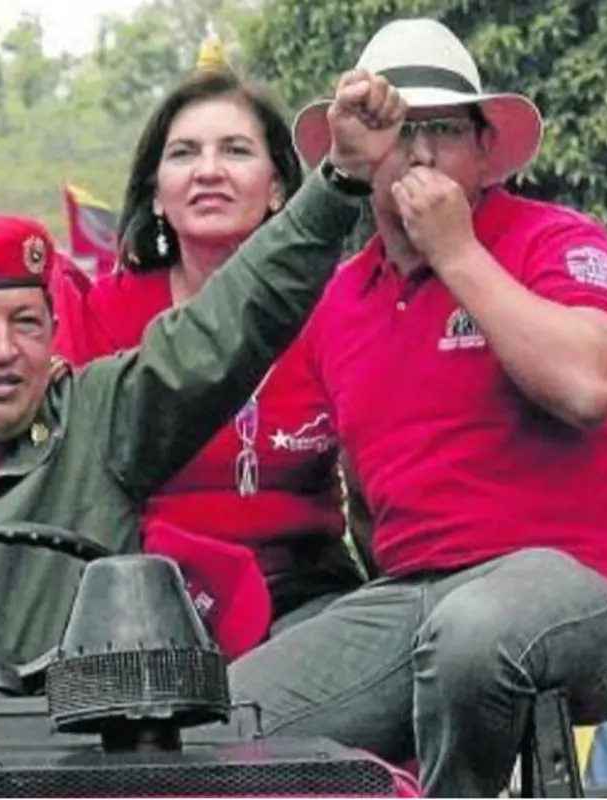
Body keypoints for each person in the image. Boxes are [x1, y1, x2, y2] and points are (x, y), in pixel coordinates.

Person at [0, 69, 405, 750]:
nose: (4, 350)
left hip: (75, 765)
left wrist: (340, 180)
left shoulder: (95, 421)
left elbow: (228, 324)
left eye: (27, 324)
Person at [228, 18, 607, 797]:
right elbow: (363, 500)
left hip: (586, 587)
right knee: (225, 723)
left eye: (443, 130)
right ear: (361, 157)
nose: (422, 153)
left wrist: (456, 253)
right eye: (397, 130)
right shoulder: (339, 302)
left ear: (482, 150)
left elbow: (591, 389)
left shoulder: (554, 241)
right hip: (416, 597)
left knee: (473, 633)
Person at [53, 67, 362, 654]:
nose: (208, 171)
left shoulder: (337, 305)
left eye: (236, 151)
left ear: (278, 188)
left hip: (307, 602)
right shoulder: (103, 313)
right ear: (156, 194)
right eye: (184, 153)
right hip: (145, 605)